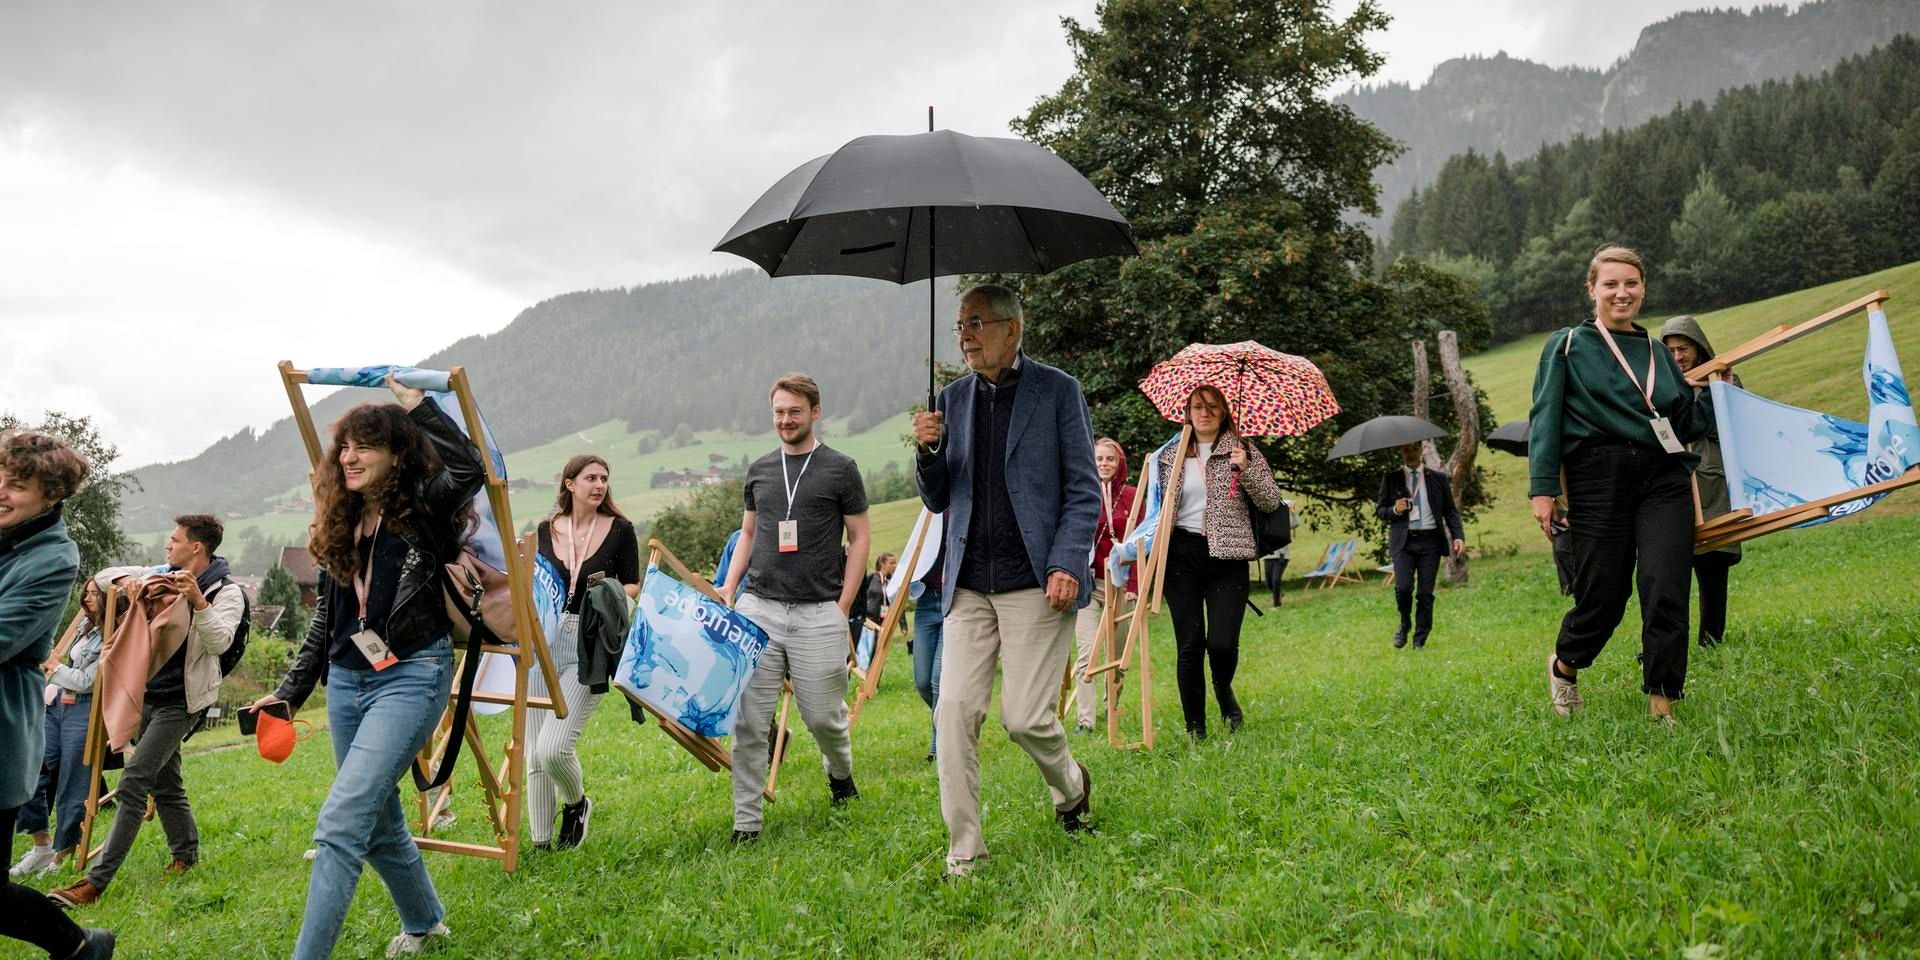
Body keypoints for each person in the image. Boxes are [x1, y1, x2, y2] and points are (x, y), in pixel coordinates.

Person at [248, 375, 482, 959]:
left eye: (365, 446)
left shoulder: (425, 507)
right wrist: (289, 694)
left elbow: (468, 469)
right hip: (349, 682)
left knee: (343, 819)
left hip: (411, 675)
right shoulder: (340, 516)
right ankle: (426, 923)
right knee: (376, 820)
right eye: (345, 446)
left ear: (396, 454)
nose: (349, 457)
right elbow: (326, 619)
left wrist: (422, 407)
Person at [912, 283, 1101, 878]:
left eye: (976, 323)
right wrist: (928, 453)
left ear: (1011, 330)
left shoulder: (1057, 391)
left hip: (1036, 582)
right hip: (967, 584)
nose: (965, 335)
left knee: (1024, 719)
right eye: (960, 325)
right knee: (953, 713)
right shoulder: (953, 399)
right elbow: (940, 497)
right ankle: (964, 849)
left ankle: (1071, 786)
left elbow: (1082, 488)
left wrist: (1069, 561)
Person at [1528, 245, 1712, 726]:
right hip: (1597, 477)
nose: (1621, 292)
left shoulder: (1657, 352)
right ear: (1592, 290)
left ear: (1643, 289)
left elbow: (1686, 419)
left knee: (1665, 586)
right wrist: (1543, 490)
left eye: (1631, 283)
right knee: (1604, 598)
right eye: (1610, 284)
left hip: (1663, 476)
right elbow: (1545, 417)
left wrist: (1717, 390)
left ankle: (1662, 702)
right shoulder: (1567, 345)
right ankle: (1565, 665)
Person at [50, 514, 245, 909]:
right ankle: (186, 854)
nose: (167, 546)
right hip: (147, 693)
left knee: (136, 779)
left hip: (182, 700)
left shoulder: (227, 591)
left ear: (196, 547)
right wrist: (128, 582)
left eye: (173, 540)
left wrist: (198, 600)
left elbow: (220, 642)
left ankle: (95, 882)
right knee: (166, 782)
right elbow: (104, 577)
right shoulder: (161, 573)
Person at [718, 373, 869, 843]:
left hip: (818, 610)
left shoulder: (841, 469)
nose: (785, 420)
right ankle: (747, 822)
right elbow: (747, 533)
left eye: (794, 411)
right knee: (749, 721)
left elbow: (860, 537)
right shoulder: (760, 470)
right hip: (758, 607)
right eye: (779, 412)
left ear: (815, 412)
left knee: (824, 717)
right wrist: (728, 587)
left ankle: (839, 774)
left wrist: (842, 605)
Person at [0, 429, 114, 957]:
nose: (1, 490)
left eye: (17, 484)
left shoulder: (53, 557)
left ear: (52, 495)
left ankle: (77, 945)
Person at [1125, 385, 1281, 739]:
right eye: (1198, 406)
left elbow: (1272, 501)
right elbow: (1155, 508)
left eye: (1213, 406)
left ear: (1225, 411)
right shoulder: (1170, 455)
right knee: (1190, 643)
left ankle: (1224, 690)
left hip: (1229, 557)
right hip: (1181, 556)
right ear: (1188, 411)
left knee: (1223, 644)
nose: (1205, 412)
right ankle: (1196, 727)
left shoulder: (1243, 449)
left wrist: (1248, 470)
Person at [528, 455, 640, 851]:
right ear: (569, 484)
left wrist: (603, 595)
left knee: (553, 747)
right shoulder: (545, 529)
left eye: (604, 478)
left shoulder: (621, 529)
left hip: (589, 640)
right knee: (533, 754)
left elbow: (631, 586)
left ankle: (576, 804)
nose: (599, 485)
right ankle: (541, 843)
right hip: (544, 638)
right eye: (590, 478)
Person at [11, 581, 119, 879]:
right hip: (57, 705)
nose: (88, 597)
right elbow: (68, 667)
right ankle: (42, 845)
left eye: (96, 593)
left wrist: (55, 668)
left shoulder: (114, 634)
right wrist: (56, 672)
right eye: (87, 592)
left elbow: (88, 681)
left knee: (74, 782)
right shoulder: (83, 626)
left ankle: (61, 854)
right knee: (32, 769)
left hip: (84, 710)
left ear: (111, 599)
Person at [1661, 315, 1741, 647]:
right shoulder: (1658, 383)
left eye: (1684, 349)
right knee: (1666, 570)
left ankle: (1711, 640)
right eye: (1671, 350)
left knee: (1713, 564)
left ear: (1698, 348)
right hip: (1670, 482)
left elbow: (1735, 418)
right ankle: (1662, 644)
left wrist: (1716, 390)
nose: (1678, 357)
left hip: (1712, 482)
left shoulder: (1722, 379)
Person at [1070, 438, 1136, 734]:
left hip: (1122, 585)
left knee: (1119, 656)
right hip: (1089, 584)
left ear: (1119, 462)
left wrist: (1135, 584)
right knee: (1087, 653)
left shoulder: (1133, 497)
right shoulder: (1081, 494)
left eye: (1110, 459)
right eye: (1099, 459)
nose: (1104, 464)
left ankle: (1112, 706)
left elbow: (1142, 544)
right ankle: (1086, 720)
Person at [1375, 445, 1466, 650]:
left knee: (1425, 593)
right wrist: (1394, 510)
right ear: (1402, 452)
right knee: (1404, 588)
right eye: (1407, 450)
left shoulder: (1438, 478)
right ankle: (1405, 623)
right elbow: (1380, 510)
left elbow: (1450, 510)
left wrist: (1458, 537)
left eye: (1415, 449)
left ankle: (1419, 640)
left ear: (1421, 450)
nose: (1411, 453)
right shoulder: (1392, 479)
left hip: (1430, 542)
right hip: (1404, 542)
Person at [909, 543, 945, 763]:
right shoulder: (928, 518)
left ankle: (938, 743)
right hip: (925, 602)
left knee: (937, 681)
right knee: (923, 682)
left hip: (954, 599)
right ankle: (954, 721)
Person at [1258, 499, 1302, 607]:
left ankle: (1277, 604)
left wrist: (1292, 511)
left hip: (1282, 557)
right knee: (1268, 582)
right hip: (1268, 556)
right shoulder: (1265, 526)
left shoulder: (1283, 526)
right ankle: (1279, 594)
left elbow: (1296, 523)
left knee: (1276, 580)